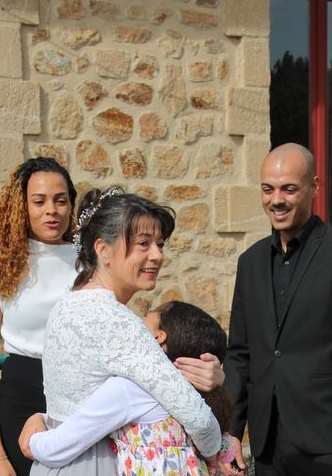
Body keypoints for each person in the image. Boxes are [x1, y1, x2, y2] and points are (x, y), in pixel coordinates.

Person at [221, 143, 332, 476]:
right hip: (268, 444)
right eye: (268, 189)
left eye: (289, 189)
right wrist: (231, 432)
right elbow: (240, 355)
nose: (277, 199)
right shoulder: (250, 263)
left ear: (315, 187)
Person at [31, 187, 222, 476]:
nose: (157, 255)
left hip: (53, 460)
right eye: (143, 244)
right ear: (103, 249)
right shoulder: (116, 321)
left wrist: (39, 423)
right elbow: (196, 415)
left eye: (160, 244)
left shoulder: (66, 305)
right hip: (95, 462)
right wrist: (215, 452)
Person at [18, 301, 233, 476]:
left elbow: (62, 446)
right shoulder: (194, 390)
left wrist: (33, 441)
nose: (138, 321)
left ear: (159, 337)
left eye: (146, 317)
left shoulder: (131, 389)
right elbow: (218, 440)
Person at [0, 157, 79, 476]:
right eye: (39, 201)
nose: (52, 210)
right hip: (20, 399)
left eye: (61, 200)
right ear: (22, 206)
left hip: (79, 399)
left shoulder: (90, 261)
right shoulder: (0, 271)